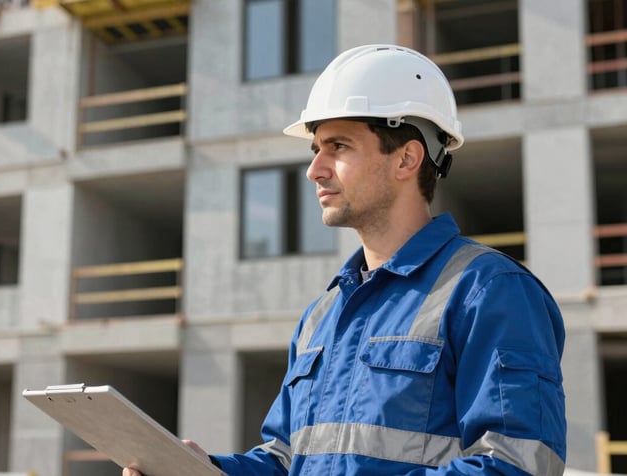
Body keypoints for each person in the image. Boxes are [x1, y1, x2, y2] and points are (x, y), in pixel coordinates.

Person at [124, 44, 566, 475]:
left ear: (407, 158)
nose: (315, 169)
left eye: (338, 146)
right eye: (315, 149)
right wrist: (205, 471)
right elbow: (286, 459)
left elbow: (517, 463)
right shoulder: (322, 316)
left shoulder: (488, 291)